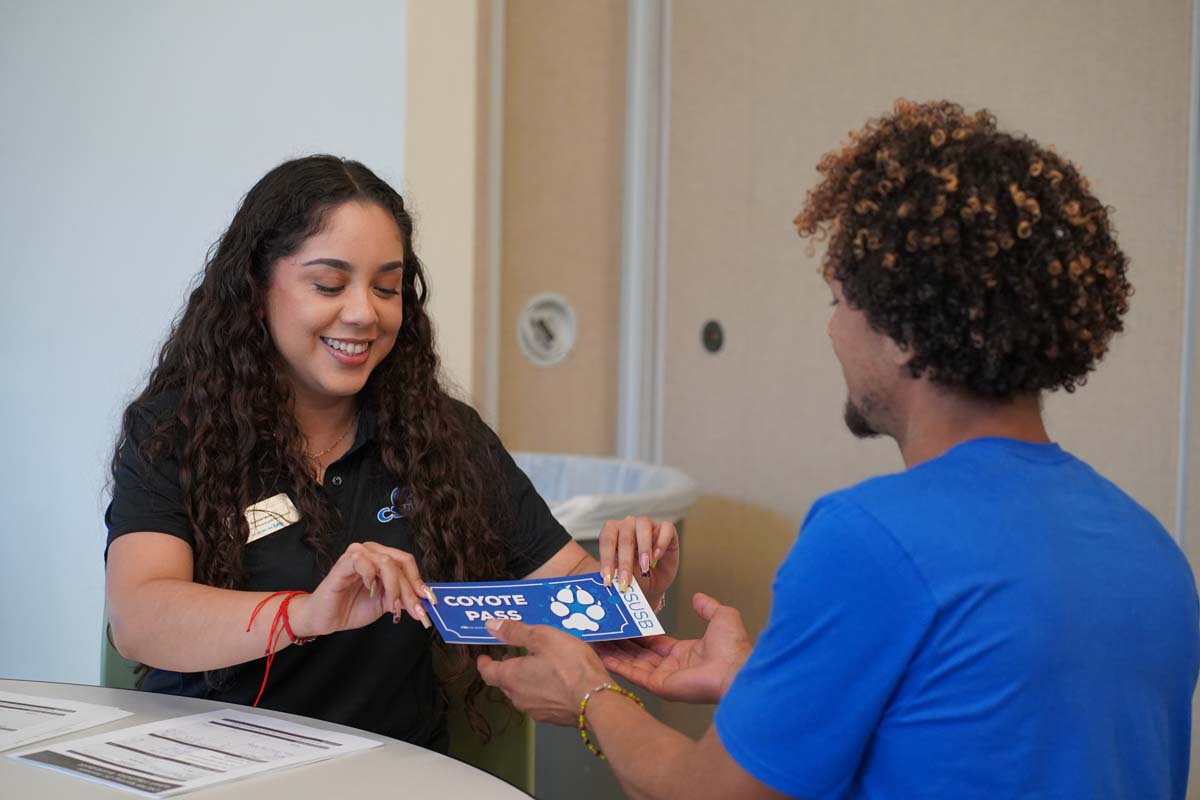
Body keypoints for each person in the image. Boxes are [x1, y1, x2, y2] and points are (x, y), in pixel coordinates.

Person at [476, 100, 1200, 798]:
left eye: (839, 301)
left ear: (907, 330)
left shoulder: (872, 539)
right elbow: (973, 735)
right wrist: (758, 683)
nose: (832, 333)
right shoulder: (1151, 551)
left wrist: (588, 693)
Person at [104, 154, 679, 750]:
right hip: (208, 766)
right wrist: (306, 615)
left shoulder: (443, 437)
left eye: (386, 287)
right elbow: (139, 619)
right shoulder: (176, 430)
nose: (363, 313)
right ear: (255, 289)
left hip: (392, 771)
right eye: (328, 285)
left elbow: (570, 590)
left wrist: (634, 591)